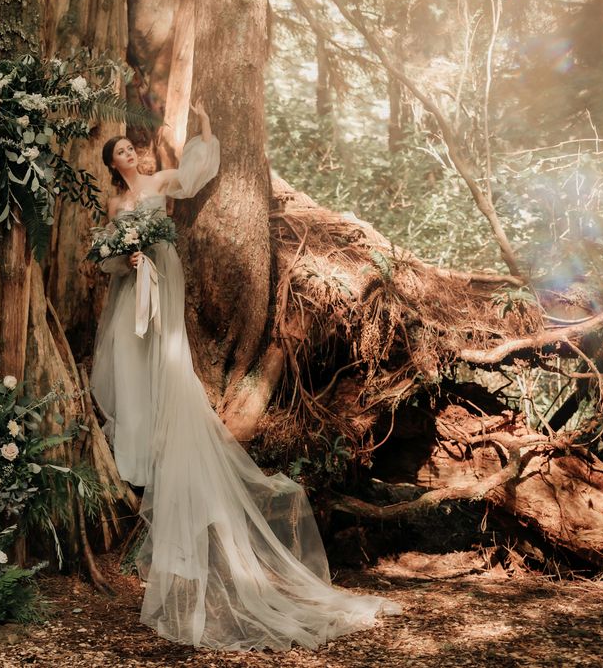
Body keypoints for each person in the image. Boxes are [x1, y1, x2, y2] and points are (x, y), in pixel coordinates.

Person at [89, 101, 403, 651]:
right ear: (112, 165)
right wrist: (125, 260)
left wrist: (207, 127)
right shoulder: (116, 203)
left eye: (131, 147)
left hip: (165, 279)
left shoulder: (159, 181)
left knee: (165, 355)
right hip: (133, 287)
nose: (130, 153)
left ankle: (158, 440)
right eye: (120, 152)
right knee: (129, 357)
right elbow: (108, 258)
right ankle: (135, 449)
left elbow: (192, 174)